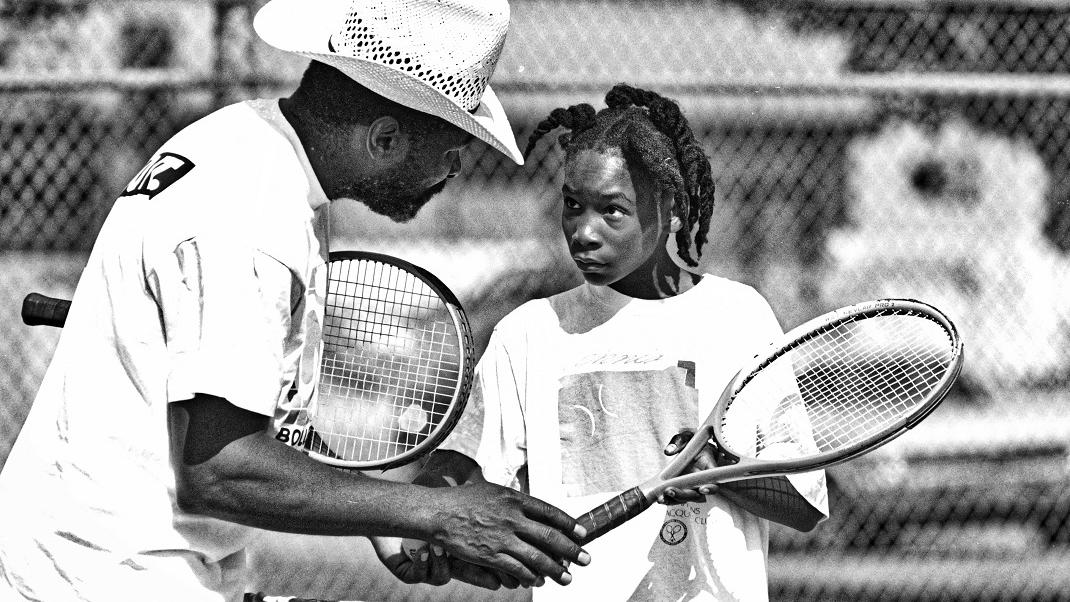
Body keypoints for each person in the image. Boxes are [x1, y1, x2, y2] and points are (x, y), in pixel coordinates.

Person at [0, 1, 591, 600]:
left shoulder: (246, 143)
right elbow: (219, 471)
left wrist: (391, 506)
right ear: (384, 138)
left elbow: (238, 425)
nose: (458, 165)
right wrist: (434, 514)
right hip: (101, 575)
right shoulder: (254, 220)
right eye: (451, 143)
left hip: (131, 562)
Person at [416, 84, 830, 601]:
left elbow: (804, 506)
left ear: (672, 208)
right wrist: (422, 521)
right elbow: (459, 471)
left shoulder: (737, 317)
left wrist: (722, 472)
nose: (584, 231)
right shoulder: (529, 332)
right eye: (573, 205)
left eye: (612, 210)